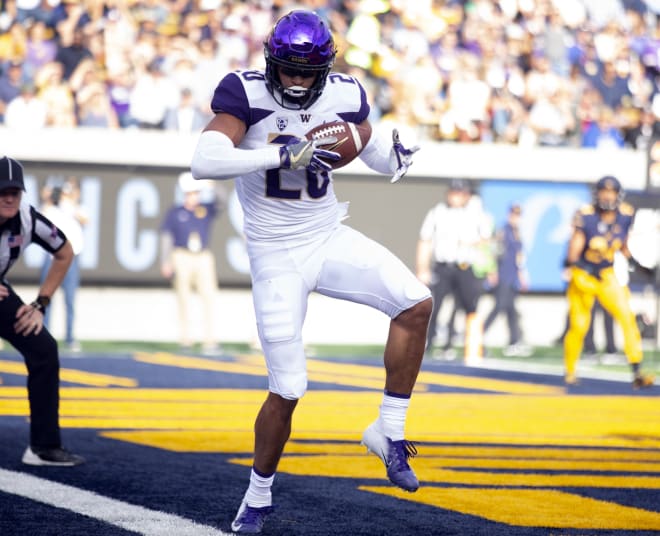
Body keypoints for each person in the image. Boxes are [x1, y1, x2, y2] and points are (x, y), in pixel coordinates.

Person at [190, 10, 431, 533]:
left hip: (327, 232)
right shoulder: (244, 92)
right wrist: (279, 155)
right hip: (275, 252)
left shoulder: (344, 93)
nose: (297, 81)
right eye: (288, 70)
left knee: (416, 302)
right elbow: (205, 160)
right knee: (289, 387)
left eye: (307, 72)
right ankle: (256, 497)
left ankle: (387, 431)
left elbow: (366, 149)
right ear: (270, 62)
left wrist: (395, 157)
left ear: (325, 68)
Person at [0, 155, 85, 466]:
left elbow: (64, 252)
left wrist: (41, 302)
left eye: (15, 191)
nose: (9, 197)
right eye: (2, 191)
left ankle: (44, 446)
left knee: (44, 348)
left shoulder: (27, 218)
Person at [563, 175, 654, 388]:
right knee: (579, 324)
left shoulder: (625, 215)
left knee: (626, 316)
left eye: (611, 192)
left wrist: (637, 264)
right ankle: (570, 370)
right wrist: (581, 266)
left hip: (606, 275)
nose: (607, 196)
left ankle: (636, 370)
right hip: (584, 276)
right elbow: (574, 251)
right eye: (604, 192)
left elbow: (623, 244)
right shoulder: (586, 216)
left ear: (618, 195)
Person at [416, 179, 493, 361]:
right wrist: (422, 269)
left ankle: (473, 344)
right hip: (443, 267)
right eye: (453, 193)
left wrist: (471, 242)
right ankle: (427, 342)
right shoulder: (437, 212)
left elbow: (487, 239)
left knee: (469, 307)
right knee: (434, 305)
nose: (456, 197)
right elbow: (425, 240)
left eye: (460, 193)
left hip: (465, 266)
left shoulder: (476, 214)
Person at [160, 171, 225, 355]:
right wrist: (165, 261)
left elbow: (222, 202)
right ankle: (185, 339)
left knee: (209, 298)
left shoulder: (205, 209)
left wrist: (212, 185)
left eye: (196, 193)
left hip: (202, 256)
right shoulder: (175, 212)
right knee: (183, 298)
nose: (194, 197)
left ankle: (210, 340)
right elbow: (166, 237)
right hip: (181, 255)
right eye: (190, 193)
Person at [39, 177, 87, 353]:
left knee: (70, 299)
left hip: (72, 259)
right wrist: (49, 200)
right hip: (52, 259)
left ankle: (70, 337)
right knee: (45, 297)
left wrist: (69, 204)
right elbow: (41, 216)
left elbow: (84, 220)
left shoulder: (77, 208)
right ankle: (43, 334)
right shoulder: (53, 208)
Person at [482, 203, 532, 357]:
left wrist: (523, 276)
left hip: (512, 276)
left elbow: (519, 257)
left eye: (518, 215)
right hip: (503, 275)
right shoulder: (503, 231)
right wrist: (492, 271)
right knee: (499, 307)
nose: (516, 218)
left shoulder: (517, 232)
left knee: (511, 311)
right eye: (514, 214)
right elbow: (494, 252)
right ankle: (478, 335)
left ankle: (514, 342)